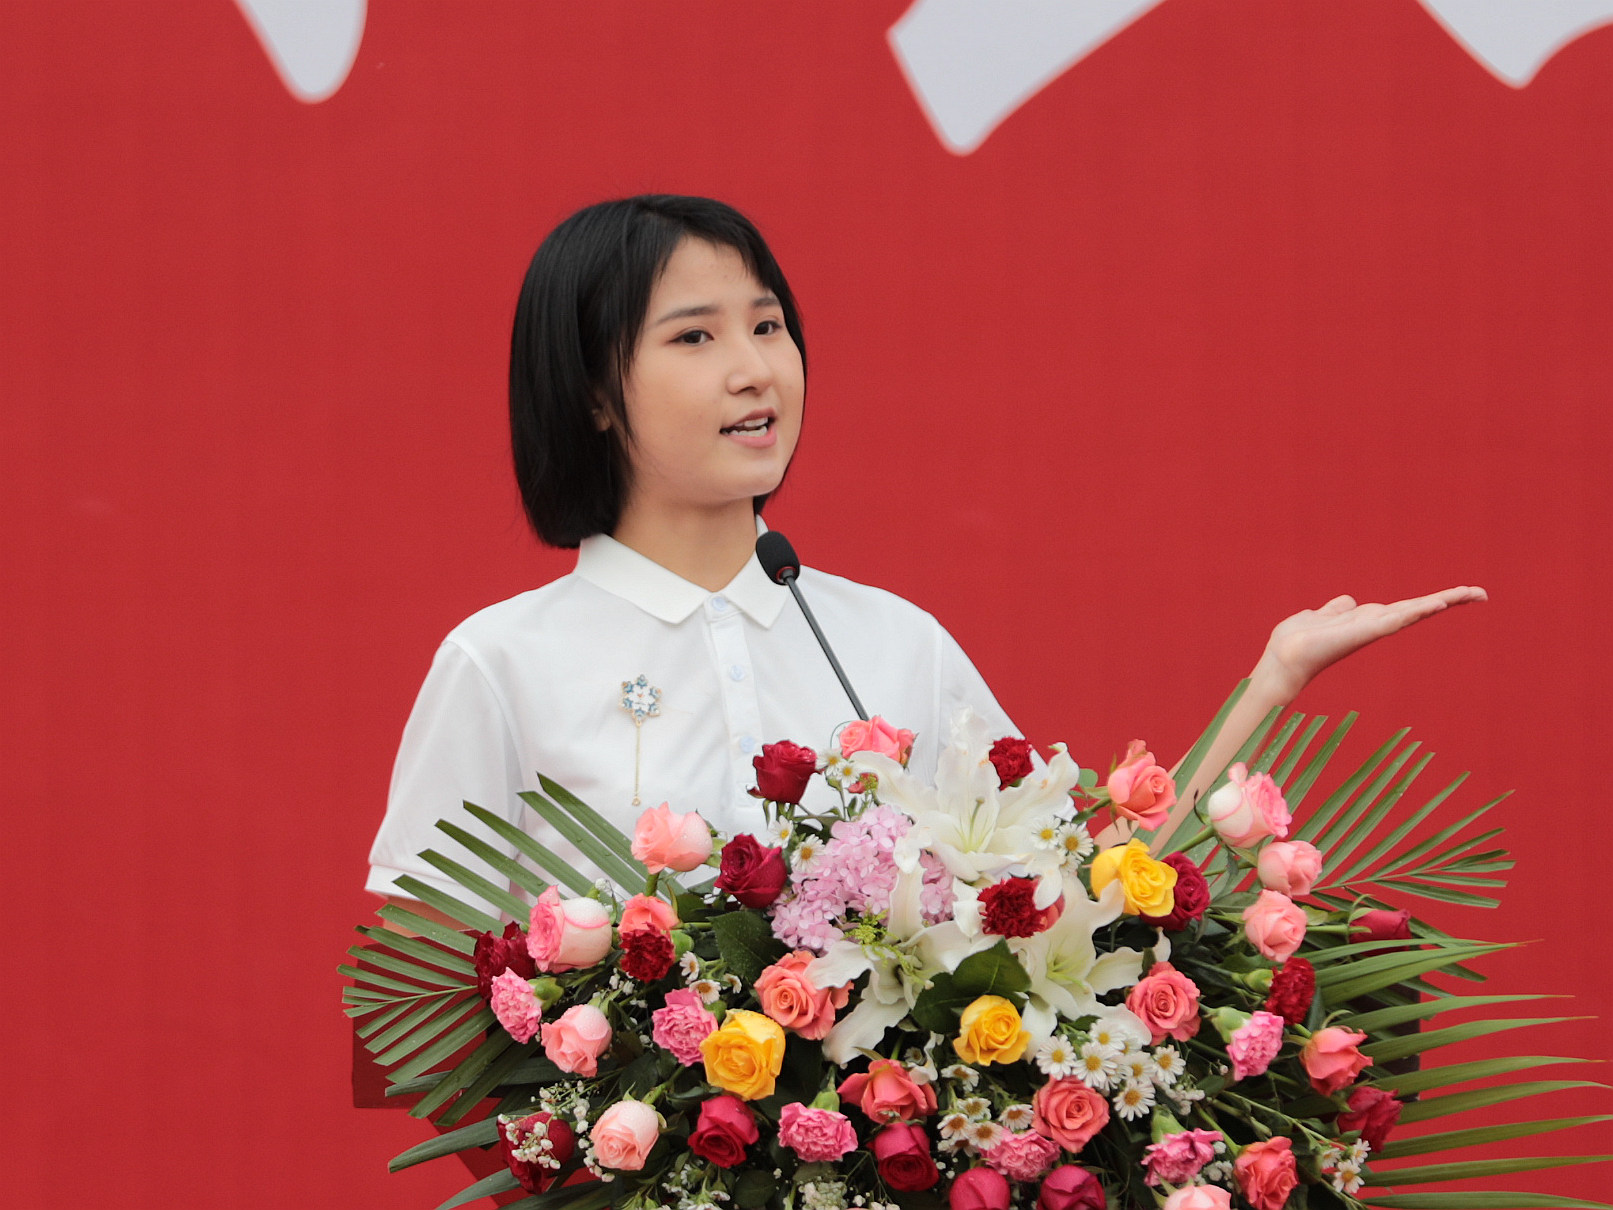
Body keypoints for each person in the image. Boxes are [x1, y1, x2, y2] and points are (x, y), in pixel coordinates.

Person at [366, 194, 1485, 930]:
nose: (755, 369)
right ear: (594, 395)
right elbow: (410, 1019)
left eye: (767, 326)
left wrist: (1271, 682)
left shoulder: (890, 643)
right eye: (695, 336)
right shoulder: (503, 663)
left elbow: (1084, 898)